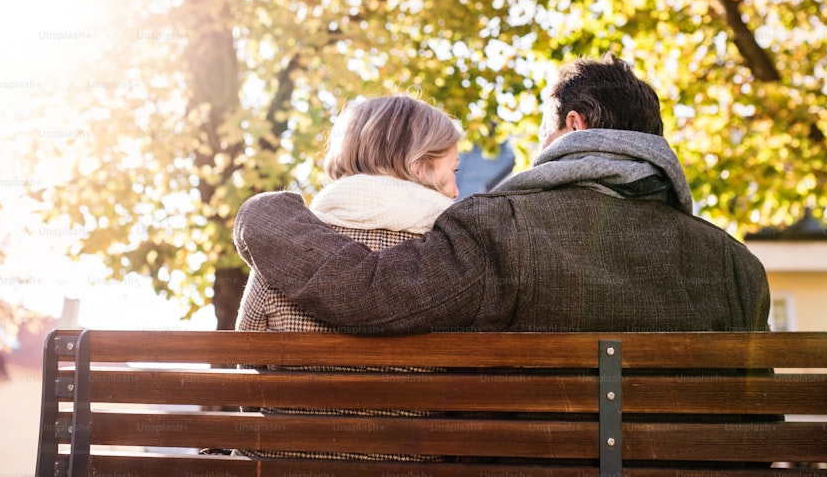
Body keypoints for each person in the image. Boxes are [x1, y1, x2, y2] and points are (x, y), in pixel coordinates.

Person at [233, 54, 771, 336]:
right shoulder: (737, 267)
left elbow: (368, 293)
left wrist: (268, 213)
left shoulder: (501, 227)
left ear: (573, 125)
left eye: (542, 131)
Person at [235, 93, 462, 461]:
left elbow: (248, 370)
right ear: (420, 166)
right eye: (454, 170)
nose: (456, 190)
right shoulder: (455, 256)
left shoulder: (282, 248)